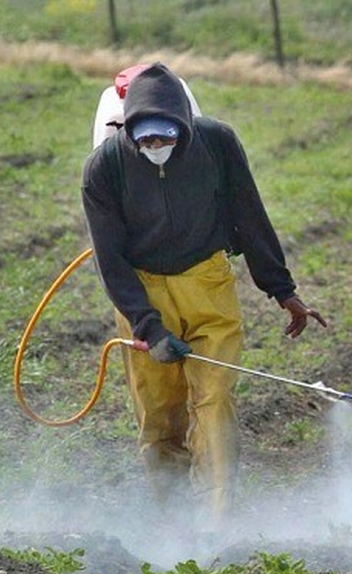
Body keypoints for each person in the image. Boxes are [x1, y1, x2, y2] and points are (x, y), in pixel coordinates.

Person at [80, 62, 326, 531]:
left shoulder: (217, 144)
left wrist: (283, 290)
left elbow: (250, 216)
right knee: (159, 411)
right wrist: (149, 329)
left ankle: (216, 524)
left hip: (207, 283)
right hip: (142, 291)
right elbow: (110, 262)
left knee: (213, 398)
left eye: (165, 139)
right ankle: (174, 522)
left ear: (184, 128)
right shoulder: (103, 168)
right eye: (146, 140)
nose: (156, 148)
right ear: (129, 133)